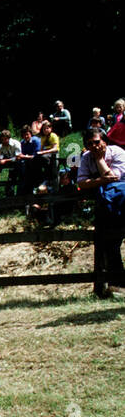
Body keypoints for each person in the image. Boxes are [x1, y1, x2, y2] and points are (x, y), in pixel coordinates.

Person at [76, 128, 125, 298]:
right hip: (107, 208)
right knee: (109, 244)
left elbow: (113, 177)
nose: (94, 146)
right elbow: (81, 182)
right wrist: (100, 181)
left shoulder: (118, 152)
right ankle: (117, 285)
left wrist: (99, 162)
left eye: (97, 142)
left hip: (121, 203)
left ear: (105, 141)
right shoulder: (86, 157)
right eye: (90, 144)